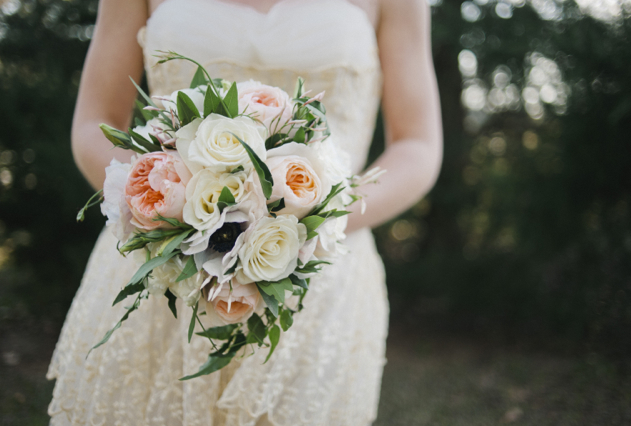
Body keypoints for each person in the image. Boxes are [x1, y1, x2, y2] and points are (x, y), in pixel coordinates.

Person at [46, 0, 443, 424]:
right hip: (161, 269)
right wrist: (167, 211)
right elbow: (95, 122)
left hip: (322, 278)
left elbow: (417, 144)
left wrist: (317, 218)